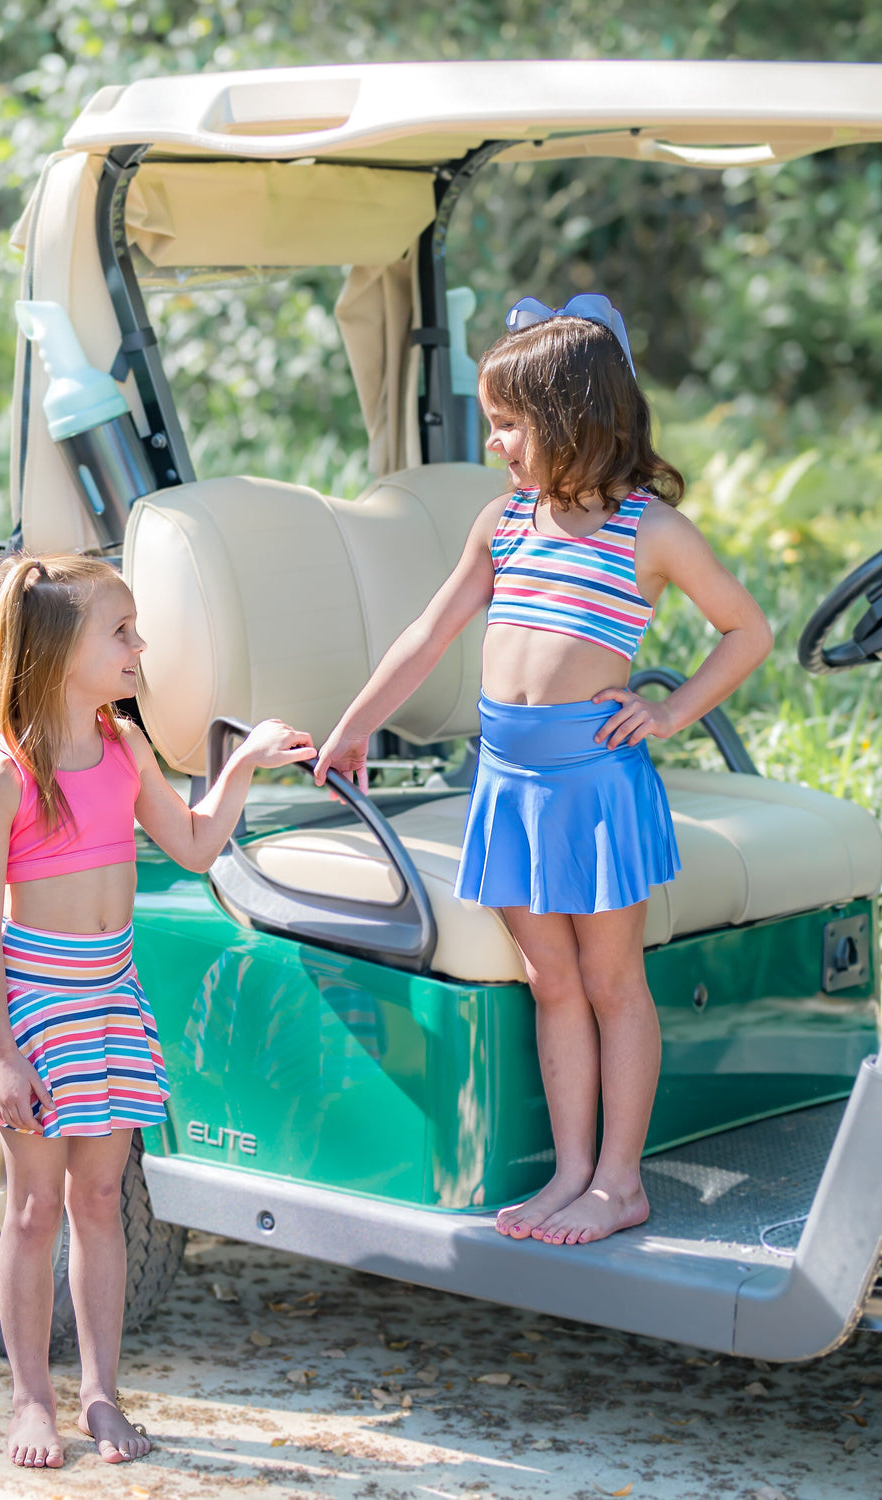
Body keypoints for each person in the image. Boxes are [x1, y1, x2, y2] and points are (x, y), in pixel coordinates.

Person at [314, 294, 772, 1247]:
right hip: (509, 789)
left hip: (594, 786)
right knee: (549, 982)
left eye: (510, 426)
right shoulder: (505, 522)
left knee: (611, 984)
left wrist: (670, 710)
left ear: (571, 422)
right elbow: (428, 634)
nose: (498, 446)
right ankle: (571, 1171)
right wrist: (354, 726)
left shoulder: (652, 532)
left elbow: (748, 630)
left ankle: (619, 1181)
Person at [0, 553, 314, 1468]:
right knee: (34, 1210)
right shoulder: (5, 775)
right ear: (57, 649)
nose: (139, 646)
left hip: (110, 998)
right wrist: (2, 1052)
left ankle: (101, 1395)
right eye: (121, 631)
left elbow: (193, 845)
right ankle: (31, 1399)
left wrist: (242, 768)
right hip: (36, 1011)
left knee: (103, 1198)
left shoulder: (123, 746)